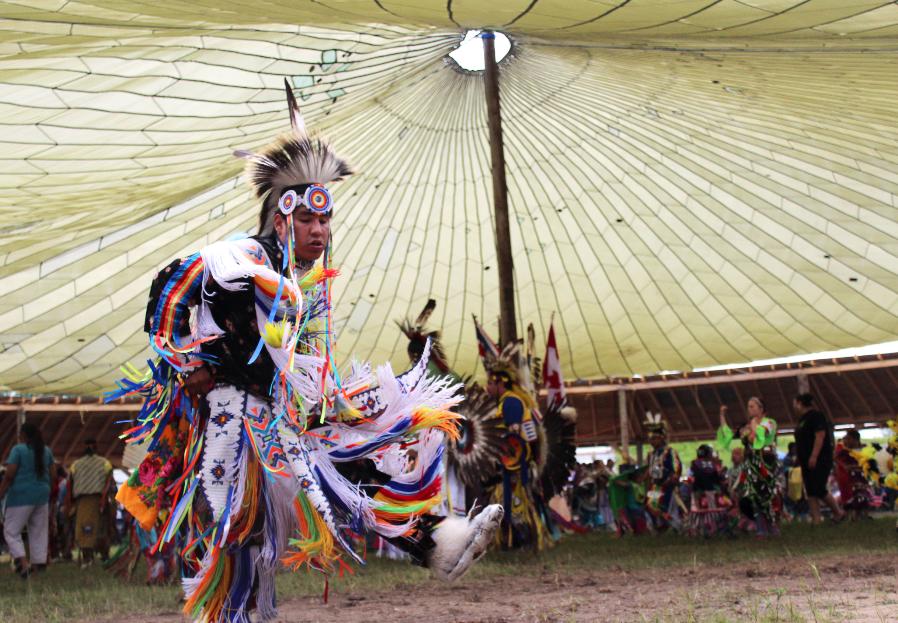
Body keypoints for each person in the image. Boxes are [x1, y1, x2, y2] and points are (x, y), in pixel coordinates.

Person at [109, 81, 501, 623]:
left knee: (348, 461)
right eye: (308, 220)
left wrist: (337, 402)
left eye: (325, 220)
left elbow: (299, 364)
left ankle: (438, 543)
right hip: (234, 418)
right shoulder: (248, 254)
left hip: (277, 416)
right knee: (244, 532)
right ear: (281, 218)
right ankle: (235, 614)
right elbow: (170, 289)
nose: (319, 230)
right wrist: (190, 362)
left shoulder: (306, 284)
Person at [0, 422, 56, 577]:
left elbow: (10, 474)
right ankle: (38, 566)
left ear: (23, 435)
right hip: (42, 495)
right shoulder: (46, 451)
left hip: (20, 495)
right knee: (38, 531)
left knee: (11, 531)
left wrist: (1, 492)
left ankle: (23, 565)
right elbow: (53, 475)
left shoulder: (18, 450)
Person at [793, 393, 845, 524]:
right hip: (805, 459)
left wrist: (814, 456)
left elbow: (820, 435)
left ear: (799, 403)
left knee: (818, 487)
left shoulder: (816, 416)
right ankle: (816, 519)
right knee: (810, 489)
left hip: (819, 458)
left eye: (795, 403)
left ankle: (838, 512)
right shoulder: (802, 419)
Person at [66, 438, 114, 566]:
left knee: (89, 529)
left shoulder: (76, 464)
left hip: (91, 501)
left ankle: (92, 557)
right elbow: (109, 482)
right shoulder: (104, 463)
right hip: (91, 501)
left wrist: (104, 498)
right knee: (93, 529)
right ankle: (95, 556)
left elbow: (69, 485)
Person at [644, 413, 683, 532]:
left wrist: (674, 478)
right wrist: (647, 480)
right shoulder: (651, 454)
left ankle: (677, 526)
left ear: (662, 438)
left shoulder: (669, 451)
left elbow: (677, 466)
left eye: (654, 438)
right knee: (650, 505)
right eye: (650, 439)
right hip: (655, 486)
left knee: (668, 508)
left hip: (668, 485)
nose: (652, 441)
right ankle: (661, 526)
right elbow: (650, 469)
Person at [687, 444, 731, 537]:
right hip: (710, 490)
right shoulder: (713, 464)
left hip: (698, 491)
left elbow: (693, 477)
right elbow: (717, 478)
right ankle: (713, 529)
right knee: (712, 510)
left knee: (698, 511)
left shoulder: (695, 463)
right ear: (708, 454)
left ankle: (698, 530)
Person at [834, 429, 873, 519]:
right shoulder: (846, 451)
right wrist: (845, 466)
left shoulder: (864, 448)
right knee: (856, 494)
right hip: (853, 476)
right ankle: (855, 516)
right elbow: (835, 458)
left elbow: (871, 458)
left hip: (863, 476)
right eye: (846, 439)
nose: (846, 441)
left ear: (855, 439)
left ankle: (865, 514)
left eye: (848, 439)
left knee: (864, 493)